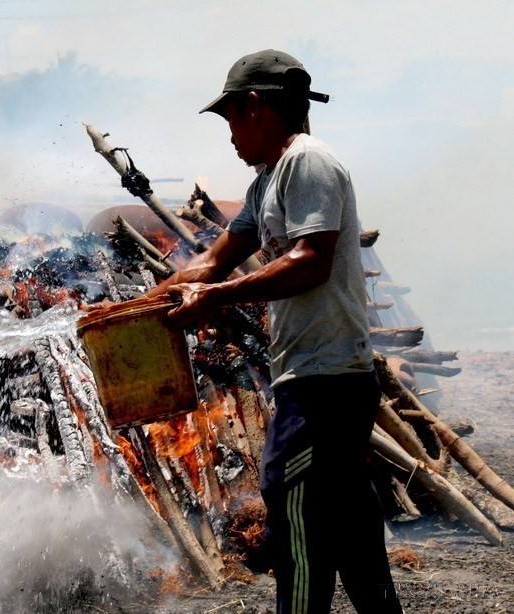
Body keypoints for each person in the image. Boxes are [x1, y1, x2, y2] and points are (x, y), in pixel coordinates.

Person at [145, 50, 403, 613]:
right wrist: (141, 308)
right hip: (321, 382)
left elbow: (311, 259)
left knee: (299, 528)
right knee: (356, 540)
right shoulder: (267, 183)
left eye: (231, 119)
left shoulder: (309, 164)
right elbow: (212, 261)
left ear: (256, 107)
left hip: (324, 385)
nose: (230, 135)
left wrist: (220, 297)